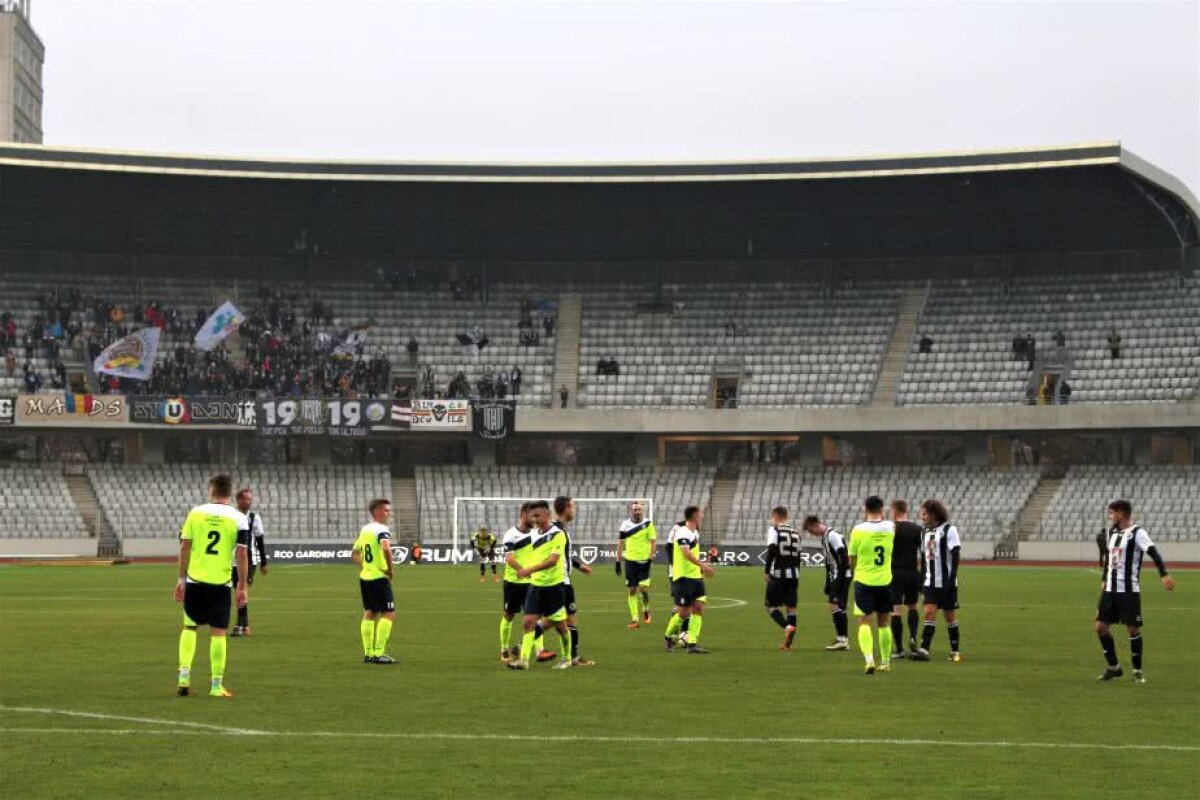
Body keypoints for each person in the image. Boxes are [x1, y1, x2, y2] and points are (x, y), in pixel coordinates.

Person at [173, 473, 250, 698]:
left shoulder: (196, 513)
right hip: (221, 583)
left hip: (195, 580)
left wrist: (181, 579)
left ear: (211, 490)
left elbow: (185, 547)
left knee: (189, 627)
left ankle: (184, 678)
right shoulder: (239, 518)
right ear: (230, 492)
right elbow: (242, 554)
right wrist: (242, 587)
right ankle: (216, 686)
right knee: (218, 633)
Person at [1095, 500, 1174, 683]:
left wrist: (1164, 574)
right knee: (1100, 627)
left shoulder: (1138, 533)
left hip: (1128, 590)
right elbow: (1110, 559)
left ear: (1121, 514)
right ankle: (1114, 668)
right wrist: (1104, 579)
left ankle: (1137, 671)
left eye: (1112, 513)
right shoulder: (1112, 532)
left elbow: (1154, 553)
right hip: (1110, 589)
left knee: (1132, 630)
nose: (1110, 516)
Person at [508, 501, 573, 670]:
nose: (534, 519)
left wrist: (528, 570)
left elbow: (553, 560)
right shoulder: (534, 534)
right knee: (528, 622)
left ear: (547, 515)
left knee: (560, 626)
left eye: (537, 516)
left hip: (554, 587)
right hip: (535, 586)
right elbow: (531, 553)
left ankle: (567, 658)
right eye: (532, 516)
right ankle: (523, 661)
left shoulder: (558, 534)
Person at [498, 503, 555, 664]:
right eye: (532, 515)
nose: (535, 519)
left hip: (532, 582)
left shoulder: (537, 534)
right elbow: (509, 559)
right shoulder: (511, 534)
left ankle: (539, 651)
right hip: (513, 582)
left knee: (536, 616)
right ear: (523, 514)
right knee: (509, 615)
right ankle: (504, 649)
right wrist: (524, 571)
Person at [847, 496, 895, 675]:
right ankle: (886, 662)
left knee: (864, 622)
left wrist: (855, 571)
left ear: (865, 509)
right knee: (884, 623)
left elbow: (852, 557)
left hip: (864, 580)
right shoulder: (890, 527)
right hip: (885, 581)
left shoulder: (858, 530)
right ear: (882, 509)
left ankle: (869, 660)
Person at [911, 499, 962, 663]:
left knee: (950, 617)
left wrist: (951, 579)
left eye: (925, 514)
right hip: (930, 582)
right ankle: (924, 650)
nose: (922, 517)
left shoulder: (949, 530)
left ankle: (955, 651)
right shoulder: (924, 532)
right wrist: (921, 580)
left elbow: (956, 555)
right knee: (929, 613)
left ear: (934, 514)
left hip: (947, 583)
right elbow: (924, 559)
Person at [664, 505, 715, 654]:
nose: (703, 515)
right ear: (694, 516)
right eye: (701, 513)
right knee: (683, 612)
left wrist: (701, 567)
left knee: (698, 608)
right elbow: (685, 552)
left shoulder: (695, 532)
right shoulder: (682, 532)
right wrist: (703, 565)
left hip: (696, 577)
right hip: (683, 577)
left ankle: (692, 644)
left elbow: (692, 553)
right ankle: (668, 637)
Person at [352, 499, 397, 665]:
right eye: (386, 510)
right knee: (389, 613)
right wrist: (390, 570)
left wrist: (365, 567)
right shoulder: (381, 529)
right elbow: (386, 548)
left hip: (365, 577)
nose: (388, 513)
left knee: (369, 613)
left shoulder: (365, 529)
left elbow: (355, 553)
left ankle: (368, 653)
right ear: (377, 511)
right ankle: (379, 653)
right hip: (379, 577)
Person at [554, 495, 595, 667]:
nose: (574, 510)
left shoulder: (561, 528)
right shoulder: (556, 530)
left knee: (568, 619)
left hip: (563, 580)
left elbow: (564, 555)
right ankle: (522, 645)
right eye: (573, 506)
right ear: (566, 508)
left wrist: (578, 566)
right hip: (560, 581)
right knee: (554, 620)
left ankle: (574, 657)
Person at [803, 515, 851, 651]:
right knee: (839, 605)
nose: (812, 534)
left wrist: (840, 578)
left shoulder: (832, 536)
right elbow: (829, 562)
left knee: (835, 604)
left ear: (815, 525)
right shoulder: (825, 537)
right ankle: (842, 639)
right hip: (836, 575)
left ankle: (842, 639)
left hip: (841, 574)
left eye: (811, 530)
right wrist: (828, 582)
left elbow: (843, 556)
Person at [763, 506, 802, 651]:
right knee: (791, 608)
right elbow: (798, 556)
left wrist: (767, 571)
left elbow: (771, 550)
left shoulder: (774, 530)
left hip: (779, 574)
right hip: (794, 574)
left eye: (772, 517)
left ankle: (787, 627)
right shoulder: (796, 533)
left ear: (776, 516)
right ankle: (788, 644)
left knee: (770, 606)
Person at [230, 488, 268, 637]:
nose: (248, 502)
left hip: (249, 559)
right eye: (246, 499)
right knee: (238, 589)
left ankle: (239, 625)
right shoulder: (231, 516)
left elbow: (260, 540)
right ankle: (245, 625)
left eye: (250, 499)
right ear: (238, 500)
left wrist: (263, 562)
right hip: (232, 559)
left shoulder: (254, 518)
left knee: (242, 588)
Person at [888, 500, 923, 658]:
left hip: (894, 572)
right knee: (913, 606)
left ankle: (899, 649)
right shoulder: (917, 529)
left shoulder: (890, 529)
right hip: (912, 572)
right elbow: (922, 553)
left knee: (896, 611)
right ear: (906, 510)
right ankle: (913, 638)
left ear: (894, 510)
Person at [615, 500, 657, 629]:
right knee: (632, 590)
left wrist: (650, 559)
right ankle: (635, 619)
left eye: (639, 510)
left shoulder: (648, 524)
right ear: (631, 511)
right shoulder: (625, 525)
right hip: (630, 561)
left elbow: (653, 542)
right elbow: (620, 543)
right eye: (635, 510)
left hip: (644, 561)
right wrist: (618, 561)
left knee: (643, 589)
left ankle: (646, 608)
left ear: (642, 511)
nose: (637, 512)